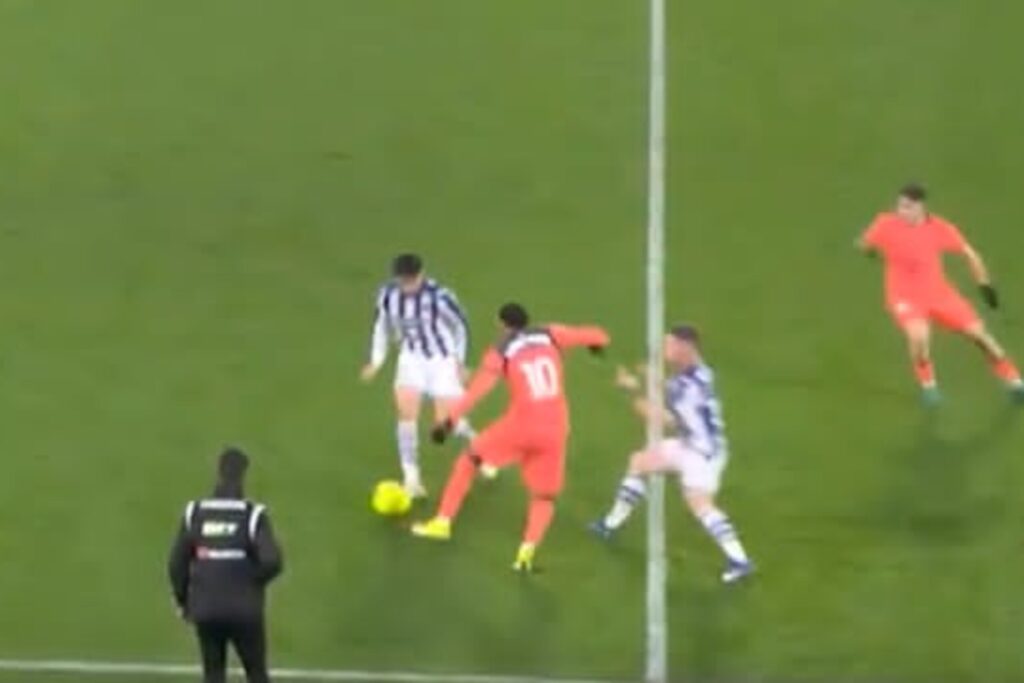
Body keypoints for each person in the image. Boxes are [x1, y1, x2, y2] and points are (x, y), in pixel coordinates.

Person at [411, 303, 610, 572]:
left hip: (521, 426)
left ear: (502, 324)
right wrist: (597, 343)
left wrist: (448, 422)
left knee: (469, 460)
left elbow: (478, 390)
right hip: (556, 429)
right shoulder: (550, 334)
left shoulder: (501, 350)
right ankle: (525, 554)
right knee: (544, 497)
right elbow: (593, 334)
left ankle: (442, 522)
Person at [590, 325, 754, 585]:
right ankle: (610, 524)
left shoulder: (689, 389)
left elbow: (659, 418)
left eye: (670, 345)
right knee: (639, 462)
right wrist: (651, 378)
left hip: (700, 454)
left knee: (700, 504)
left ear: (685, 348)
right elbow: (672, 390)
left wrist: (631, 389)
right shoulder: (698, 373)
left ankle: (739, 560)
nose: (664, 349)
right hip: (692, 443)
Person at [858, 183, 1024, 404]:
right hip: (904, 297)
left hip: (940, 295)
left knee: (981, 337)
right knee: (918, 338)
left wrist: (985, 285)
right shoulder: (885, 224)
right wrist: (872, 252)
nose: (901, 211)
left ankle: (1014, 381)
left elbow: (970, 254)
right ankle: (929, 386)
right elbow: (864, 244)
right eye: (899, 206)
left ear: (920, 207)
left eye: (907, 207)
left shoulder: (939, 228)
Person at [361, 253, 489, 498]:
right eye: (403, 281)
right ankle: (412, 479)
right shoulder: (387, 296)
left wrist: (460, 362)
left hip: (442, 360)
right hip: (411, 360)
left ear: (421, 275)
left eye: (412, 280)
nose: (408, 286)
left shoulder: (440, 297)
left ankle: (481, 449)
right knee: (406, 415)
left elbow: (460, 326)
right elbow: (381, 326)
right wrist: (376, 361)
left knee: (446, 422)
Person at [168, 448, 284, 683]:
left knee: (213, 673)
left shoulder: (195, 513)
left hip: (206, 607)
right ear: (243, 476)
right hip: (244, 610)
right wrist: (249, 582)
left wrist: (183, 600)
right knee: (256, 673)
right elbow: (272, 562)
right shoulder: (252, 515)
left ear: (218, 473)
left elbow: (176, 563)